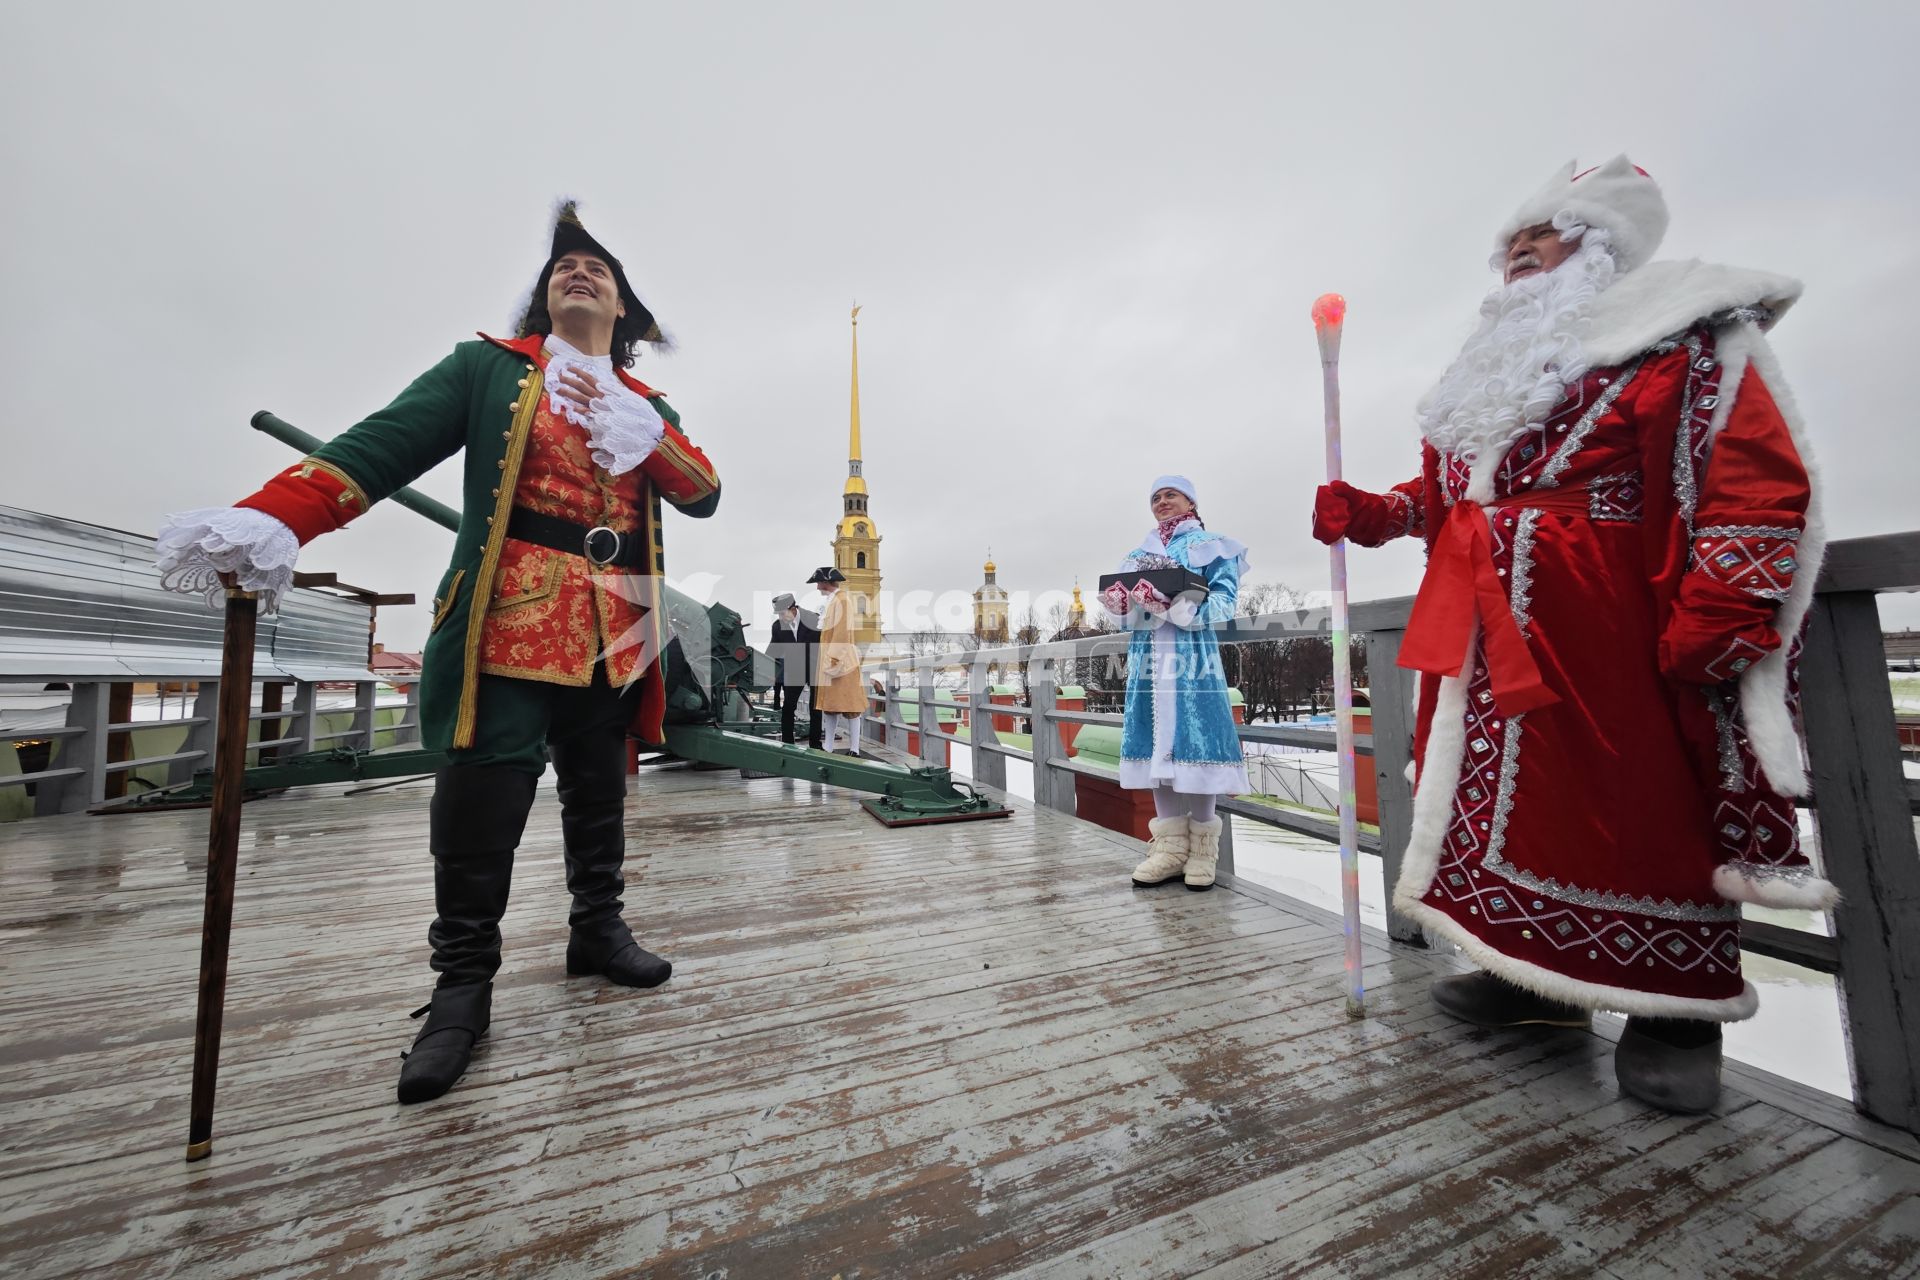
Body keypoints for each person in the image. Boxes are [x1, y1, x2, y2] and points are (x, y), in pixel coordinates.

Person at [155, 201, 722, 1104]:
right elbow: (384, 445)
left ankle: (597, 930)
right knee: (482, 798)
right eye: (562, 268)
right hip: (510, 613)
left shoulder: (649, 407)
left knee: (597, 785)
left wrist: (647, 432)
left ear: (627, 314)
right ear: (543, 300)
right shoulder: (487, 370)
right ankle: (462, 988)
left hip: (617, 624)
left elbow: (703, 494)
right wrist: (275, 514)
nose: (578, 273)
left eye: (599, 270)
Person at [1311, 156, 1826, 1113]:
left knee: (1638, 797)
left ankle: (1675, 1013)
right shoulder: (1490, 371)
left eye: (1539, 236)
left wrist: (1726, 604)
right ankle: (1528, 978)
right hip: (1480, 627)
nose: (1517, 253)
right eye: (1510, 243)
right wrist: (1374, 511)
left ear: (1600, 246)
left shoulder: (1679, 334)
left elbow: (1748, 471)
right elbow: (1449, 499)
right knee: (1495, 803)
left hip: (1611, 617)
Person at [1101, 476, 1249, 890]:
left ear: (1190, 501)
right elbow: (1127, 615)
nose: (1162, 502)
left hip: (1191, 660)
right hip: (1148, 661)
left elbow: (1223, 600)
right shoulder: (1138, 554)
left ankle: (1203, 850)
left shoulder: (1214, 545)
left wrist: (1174, 604)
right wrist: (1124, 605)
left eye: (1171, 495)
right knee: (1155, 753)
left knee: (1197, 747)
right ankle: (1169, 849)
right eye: (1156, 497)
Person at [810, 566, 866, 755]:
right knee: (830, 705)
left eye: (819, 582)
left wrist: (833, 659)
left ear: (826, 581)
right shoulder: (835, 600)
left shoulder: (842, 601)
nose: (817, 587)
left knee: (851, 705)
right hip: (833, 658)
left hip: (841, 661)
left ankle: (854, 748)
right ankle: (829, 746)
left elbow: (841, 633)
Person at [768, 591, 821, 747]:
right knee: (788, 707)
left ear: (793, 608)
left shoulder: (814, 619)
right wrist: (770, 672)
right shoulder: (777, 627)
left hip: (814, 668)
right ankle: (788, 744)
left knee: (816, 708)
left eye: (782, 613)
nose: (780, 617)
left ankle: (815, 743)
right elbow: (773, 651)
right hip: (794, 670)